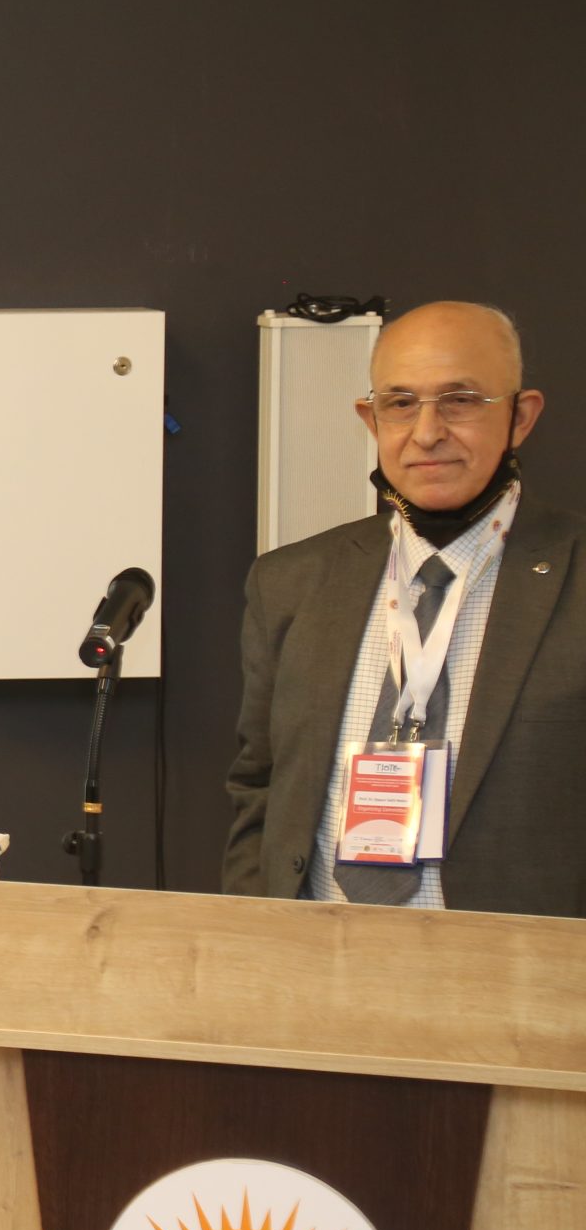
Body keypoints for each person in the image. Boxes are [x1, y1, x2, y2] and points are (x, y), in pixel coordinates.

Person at [225, 299, 586, 916]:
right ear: (371, 419)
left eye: (460, 400)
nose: (427, 432)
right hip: (314, 956)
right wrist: (257, 935)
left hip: (518, 966)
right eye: (400, 403)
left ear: (521, 417)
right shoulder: (289, 582)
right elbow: (259, 787)